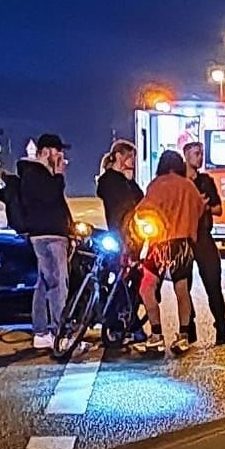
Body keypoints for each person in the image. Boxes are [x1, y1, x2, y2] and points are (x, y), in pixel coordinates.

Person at [132, 150, 205, 355]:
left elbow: (143, 210)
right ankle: (183, 336)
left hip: (161, 244)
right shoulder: (189, 186)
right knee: (182, 291)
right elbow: (199, 210)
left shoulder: (157, 184)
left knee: (147, 287)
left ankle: (156, 335)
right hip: (184, 244)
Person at [15, 132, 75, 350]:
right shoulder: (36, 173)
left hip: (47, 234)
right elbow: (51, 197)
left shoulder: (34, 173)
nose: (62, 156)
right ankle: (61, 335)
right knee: (58, 284)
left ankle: (42, 332)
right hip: (49, 235)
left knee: (44, 283)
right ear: (47, 152)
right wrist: (58, 175)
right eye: (58, 152)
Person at [183, 141, 225, 346]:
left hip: (204, 236)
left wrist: (204, 208)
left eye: (201, 154)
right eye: (196, 153)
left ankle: (222, 328)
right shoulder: (178, 182)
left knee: (213, 283)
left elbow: (218, 209)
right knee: (183, 285)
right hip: (185, 237)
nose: (200, 157)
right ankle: (188, 329)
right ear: (185, 155)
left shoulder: (206, 181)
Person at [95, 141, 143, 340]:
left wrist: (130, 181)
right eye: (129, 157)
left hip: (134, 237)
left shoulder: (127, 181)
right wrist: (127, 181)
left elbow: (141, 200)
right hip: (118, 235)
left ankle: (129, 320)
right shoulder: (110, 180)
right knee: (118, 281)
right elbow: (122, 204)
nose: (132, 162)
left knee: (137, 281)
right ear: (119, 157)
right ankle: (119, 322)